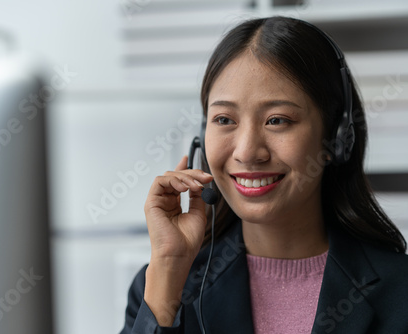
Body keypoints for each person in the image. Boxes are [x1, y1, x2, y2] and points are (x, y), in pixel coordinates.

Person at [119, 16, 408, 334]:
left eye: (277, 120)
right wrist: (168, 271)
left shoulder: (400, 292)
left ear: (336, 138)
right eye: (225, 119)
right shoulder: (162, 284)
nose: (246, 151)